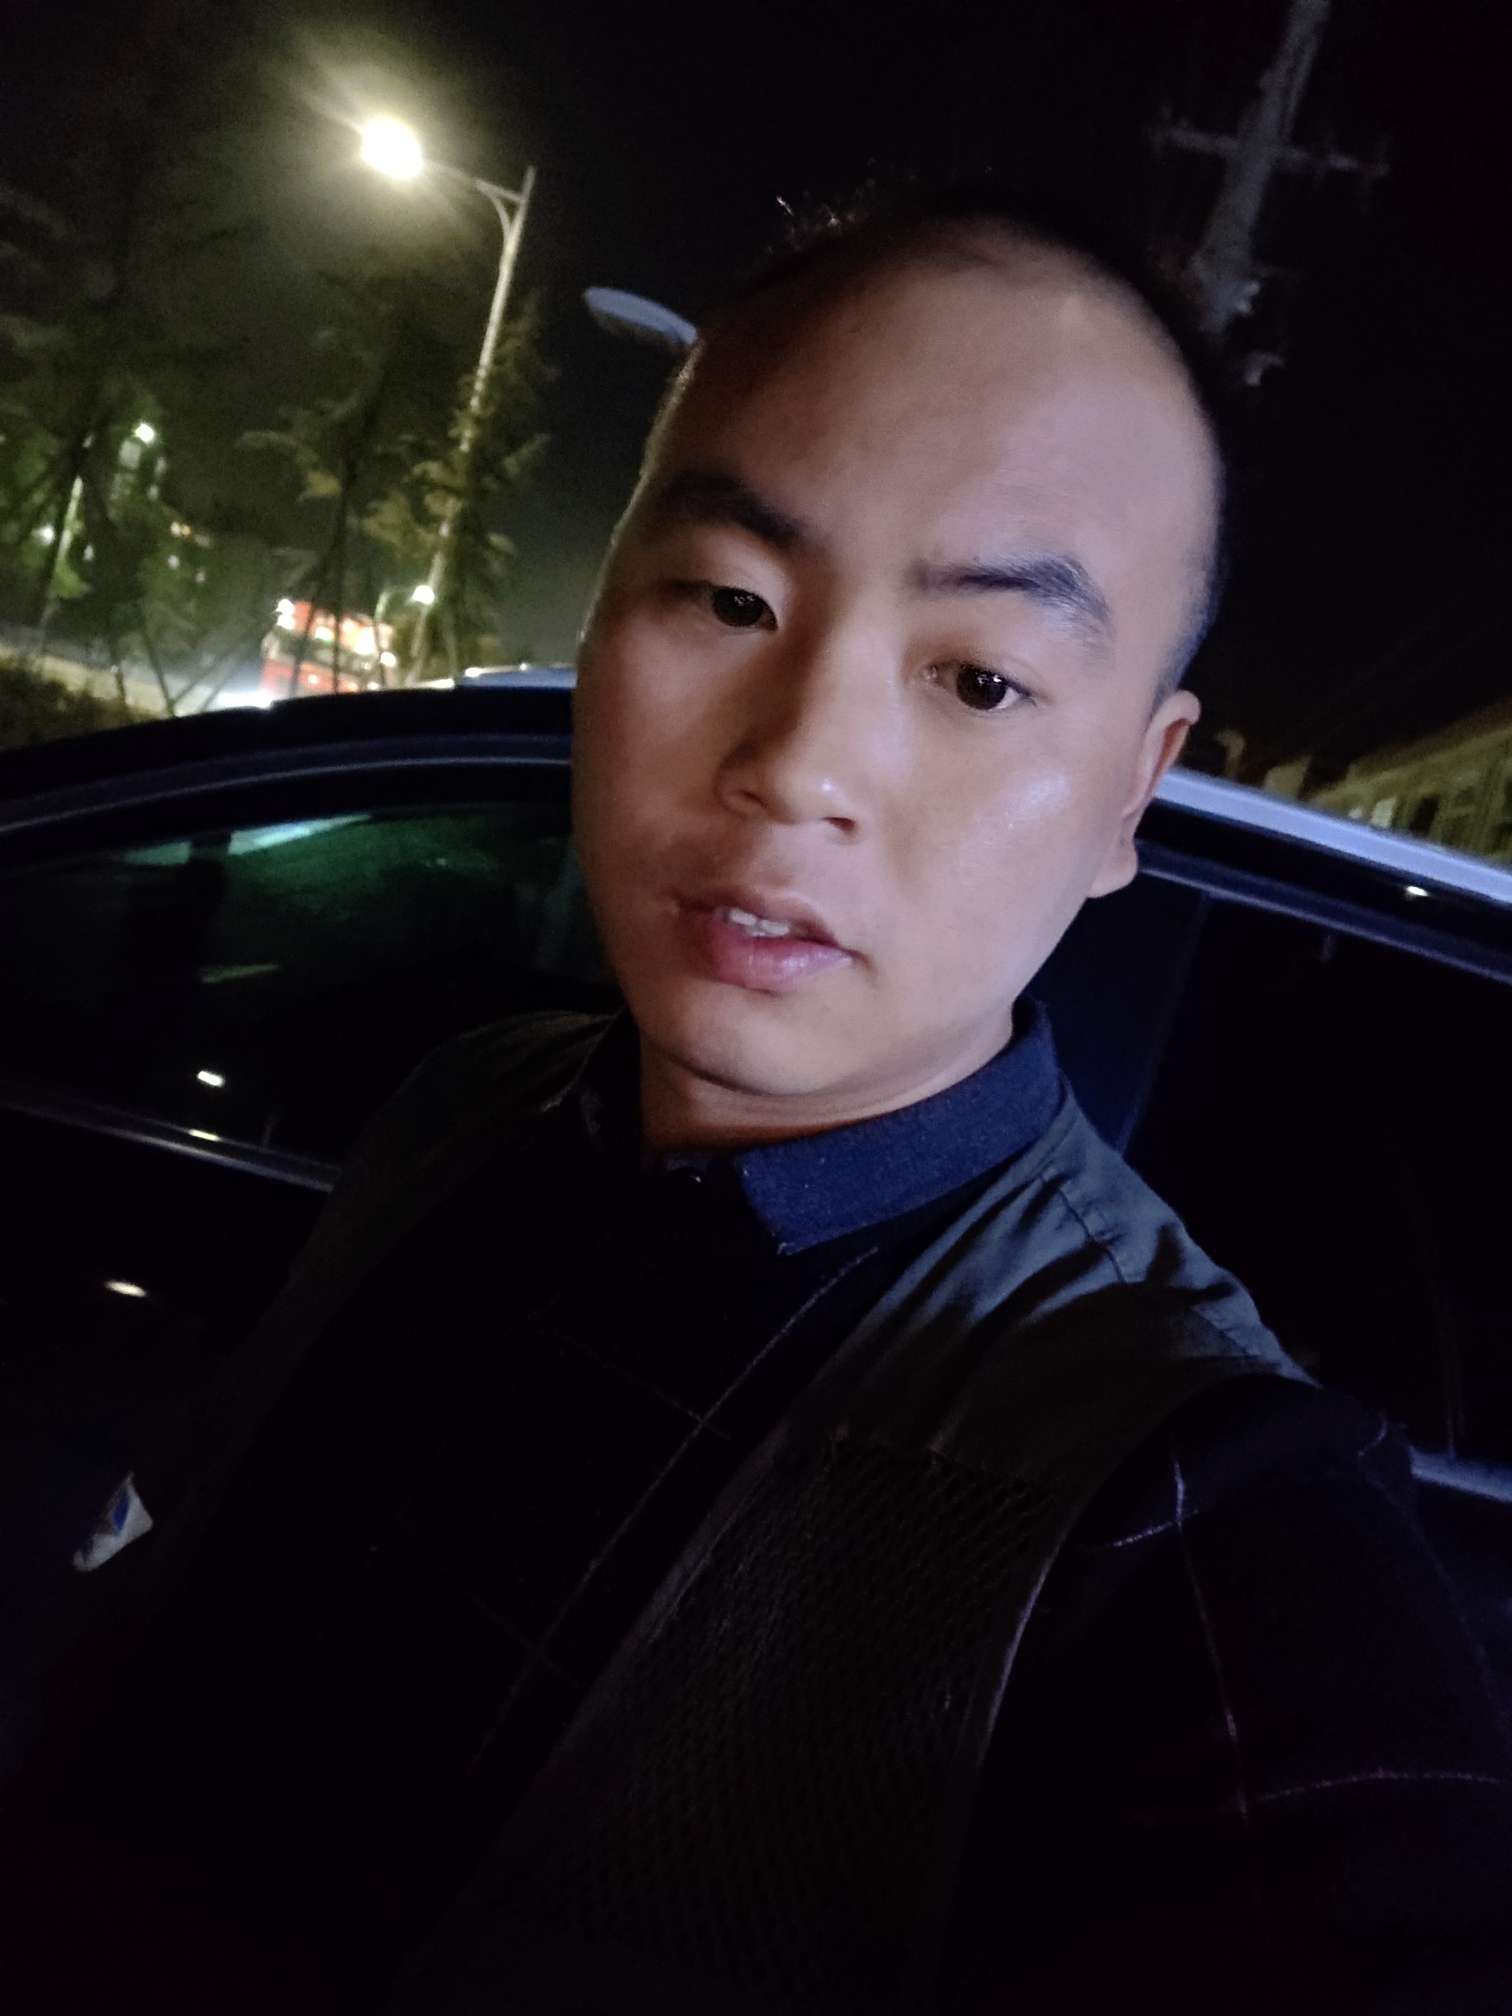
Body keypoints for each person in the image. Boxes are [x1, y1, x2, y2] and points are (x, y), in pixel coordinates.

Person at [6, 179, 1511, 2014]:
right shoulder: (476, 1112)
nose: (800, 765)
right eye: (731, 599)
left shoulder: (1197, 1524)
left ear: (1136, 786)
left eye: (981, 679)